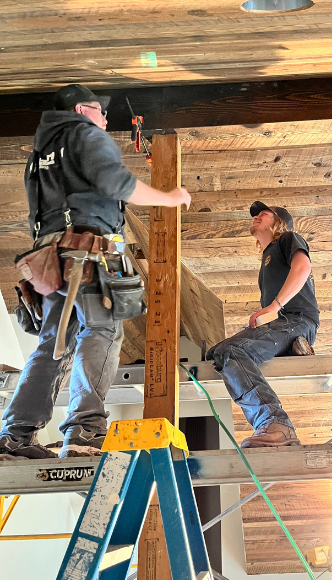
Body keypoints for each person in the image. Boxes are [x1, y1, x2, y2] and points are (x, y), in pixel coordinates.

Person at [0, 84, 191, 460]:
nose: (105, 120)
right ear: (83, 109)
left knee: (53, 344)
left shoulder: (40, 151)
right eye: (102, 112)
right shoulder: (85, 133)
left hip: (52, 260)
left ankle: (16, 437)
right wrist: (170, 198)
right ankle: (85, 432)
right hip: (89, 254)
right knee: (102, 331)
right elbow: (115, 183)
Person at [207, 202, 320, 448]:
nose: (256, 216)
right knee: (215, 353)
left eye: (263, 214)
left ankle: (276, 424)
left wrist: (275, 305)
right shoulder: (268, 258)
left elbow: (303, 268)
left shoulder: (289, 238)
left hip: (298, 320)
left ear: (279, 222)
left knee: (230, 351)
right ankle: (290, 348)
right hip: (285, 322)